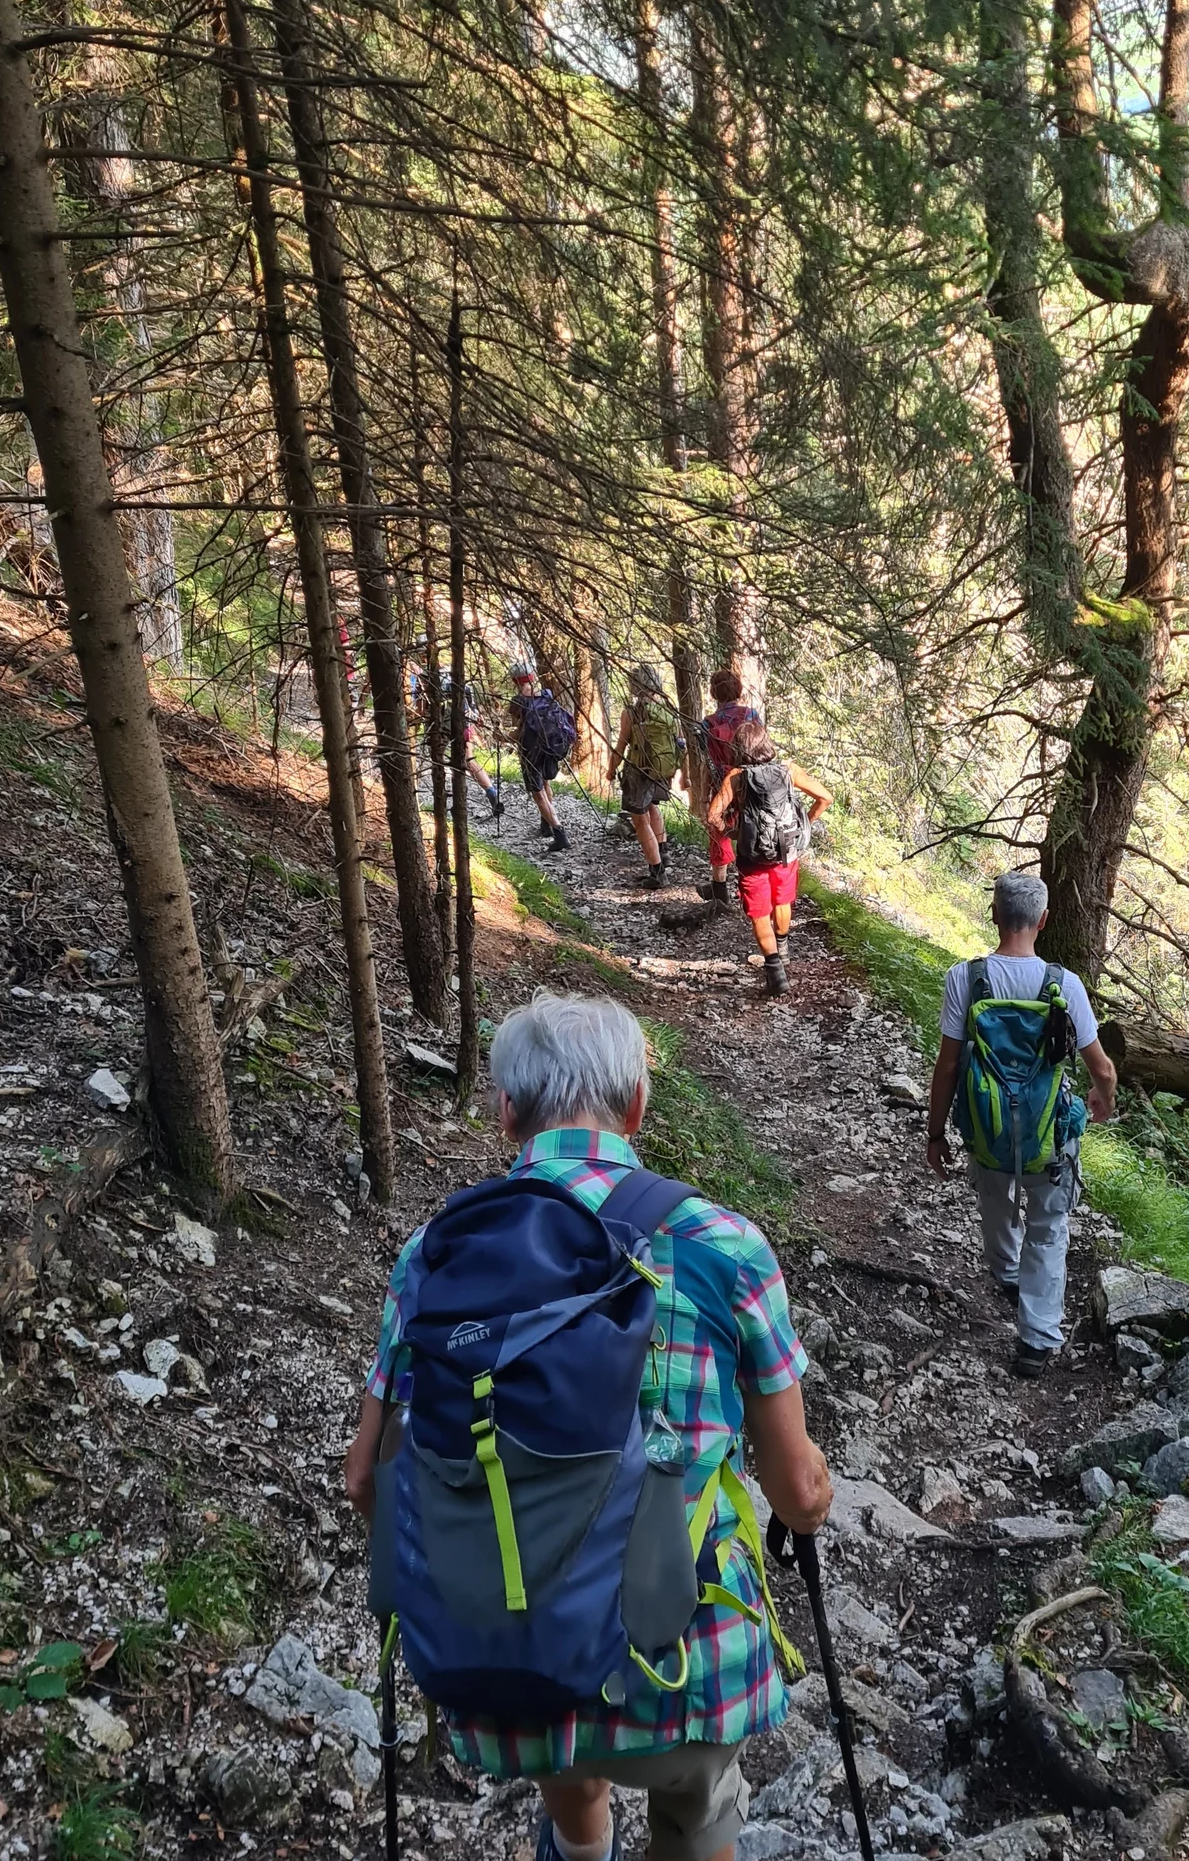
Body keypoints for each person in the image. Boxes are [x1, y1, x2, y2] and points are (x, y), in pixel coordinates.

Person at [344, 991, 832, 1861]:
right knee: (702, 1798)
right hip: (689, 1668)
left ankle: (580, 1836)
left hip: (503, 1666)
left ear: (505, 1114)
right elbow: (797, 1491)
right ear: (637, 1105)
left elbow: (363, 1481)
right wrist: (810, 1499)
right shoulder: (725, 1243)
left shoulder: (433, 1257)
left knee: (553, 1656)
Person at [925, 870, 1119, 1379]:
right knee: (1049, 1230)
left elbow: (947, 1066)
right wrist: (1104, 1098)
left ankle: (1009, 1274)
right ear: (1043, 920)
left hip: (988, 1131)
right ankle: (1035, 1341)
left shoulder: (964, 979)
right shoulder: (1064, 985)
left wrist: (935, 1132)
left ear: (994, 914)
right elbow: (1101, 1066)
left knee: (996, 1207)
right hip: (1049, 1136)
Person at [704, 721, 830, 998]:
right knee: (782, 901)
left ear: (739, 748)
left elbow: (712, 816)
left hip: (752, 856)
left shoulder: (736, 777)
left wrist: (732, 831)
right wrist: (803, 824)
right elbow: (825, 798)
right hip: (786, 852)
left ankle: (775, 971)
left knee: (760, 912)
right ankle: (783, 950)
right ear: (766, 744)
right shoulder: (789, 771)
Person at [607, 662, 681, 890]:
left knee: (639, 820)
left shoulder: (632, 713)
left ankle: (656, 872)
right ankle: (663, 852)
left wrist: (611, 769)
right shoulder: (668, 708)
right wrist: (681, 773)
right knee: (652, 807)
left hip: (639, 771)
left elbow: (621, 745)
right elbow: (680, 743)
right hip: (662, 769)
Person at [696, 670, 760, 905]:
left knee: (719, 833)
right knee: (751, 830)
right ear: (738, 690)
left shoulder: (707, 724)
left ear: (714, 693)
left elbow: (706, 762)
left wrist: (703, 796)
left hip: (720, 782)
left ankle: (719, 889)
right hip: (751, 781)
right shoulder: (752, 715)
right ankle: (748, 889)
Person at [507, 661, 576, 852]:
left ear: (515, 680)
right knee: (546, 784)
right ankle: (546, 824)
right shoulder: (547, 694)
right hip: (550, 747)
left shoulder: (519, 701)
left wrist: (503, 737)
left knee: (538, 792)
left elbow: (519, 732)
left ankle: (559, 832)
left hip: (531, 752)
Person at [437, 664, 505, 820]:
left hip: (445, 724)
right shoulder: (464, 682)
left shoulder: (432, 677)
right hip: (466, 723)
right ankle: (492, 794)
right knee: (469, 759)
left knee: (438, 758)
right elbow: (474, 710)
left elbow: (426, 708)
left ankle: (451, 801)